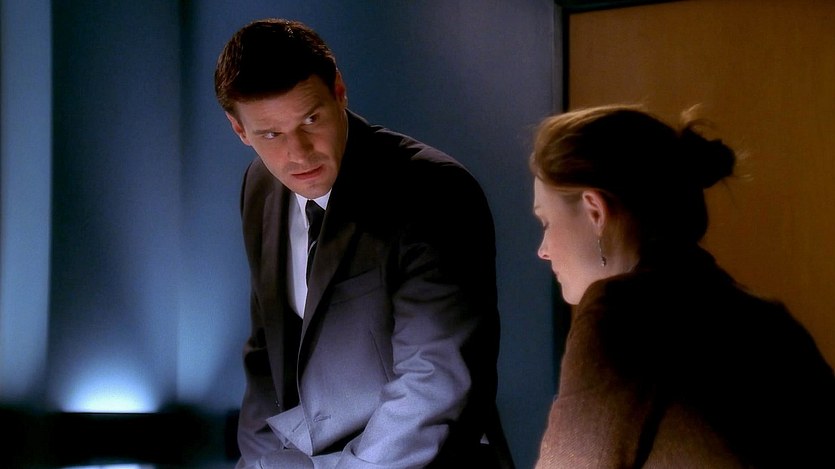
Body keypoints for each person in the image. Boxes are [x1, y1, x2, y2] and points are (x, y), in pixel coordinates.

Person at [214, 18, 511, 469]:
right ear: (240, 130)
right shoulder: (259, 185)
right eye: (271, 135)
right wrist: (257, 462)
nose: (299, 153)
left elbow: (435, 380)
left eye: (311, 119)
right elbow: (264, 356)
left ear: (339, 92)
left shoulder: (432, 190)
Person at [529, 104, 835, 468]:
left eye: (546, 222)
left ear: (595, 210)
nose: (542, 250)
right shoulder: (765, 315)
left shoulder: (620, 314)